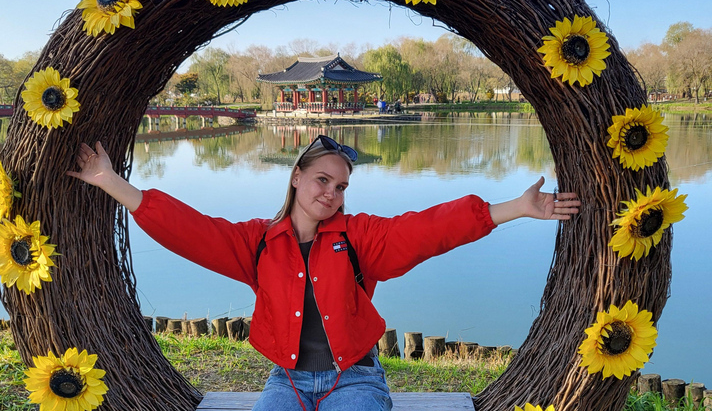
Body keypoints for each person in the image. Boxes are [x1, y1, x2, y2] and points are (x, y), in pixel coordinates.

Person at [68, 136, 580, 411]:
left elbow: (428, 229)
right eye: (321, 179)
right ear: (295, 178)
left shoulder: (359, 238)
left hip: (354, 381)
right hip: (286, 381)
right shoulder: (257, 243)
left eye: (340, 186)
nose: (331, 194)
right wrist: (109, 180)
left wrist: (512, 207)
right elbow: (191, 230)